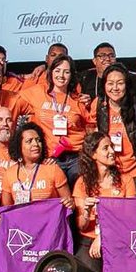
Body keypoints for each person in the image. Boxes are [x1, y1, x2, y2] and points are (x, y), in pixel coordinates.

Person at [20, 53, 88, 183]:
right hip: (50, 157)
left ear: (71, 75)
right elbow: (11, 100)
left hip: (76, 157)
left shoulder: (79, 99)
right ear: (50, 72)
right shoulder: (38, 92)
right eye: (57, 71)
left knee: (80, 186)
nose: (61, 75)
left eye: (66, 72)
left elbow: (90, 125)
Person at [73, 131, 132, 264]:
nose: (112, 151)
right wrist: (86, 212)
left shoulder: (126, 180)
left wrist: (102, 236)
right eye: (106, 148)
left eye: (112, 146)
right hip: (89, 239)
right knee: (86, 270)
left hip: (117, 238)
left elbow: (128, 218)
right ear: (93, 154)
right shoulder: (82, 183)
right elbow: (82, 226)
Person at [90, 63, 136, 195]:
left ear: (127, 85)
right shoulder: (98, 105)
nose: (115, 88)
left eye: (120, 83)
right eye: (110, 83)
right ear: (104, 85)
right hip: (109, 170)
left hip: (135, 172)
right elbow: (91, 137)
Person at [1, 122, 72, 210]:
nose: (36, 144)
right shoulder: (9, 174)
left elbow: (70, 206)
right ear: (19, 146)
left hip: (48, 219)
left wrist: (69, 203)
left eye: (38, 140)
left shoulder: (53, 169)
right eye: (29, 141)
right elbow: (6, 209)